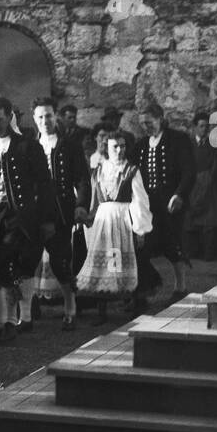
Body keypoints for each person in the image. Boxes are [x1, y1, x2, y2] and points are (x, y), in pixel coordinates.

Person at [0, 98, 55, 343]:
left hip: (18, 216)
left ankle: (12, 321)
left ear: (9, 117)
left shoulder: (27, 147)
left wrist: (47, 219)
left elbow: (44, 184)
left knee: (10, 264)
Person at [76, 131, 152, 320]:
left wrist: (140, 228)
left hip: (123, 219)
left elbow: (140, 200)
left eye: (122, 146)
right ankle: (102, 310)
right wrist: (89, 220)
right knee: (104, 264)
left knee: (124, 259)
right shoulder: (99, 171)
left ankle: (135, 304)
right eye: (114, 146)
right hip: (103, 220)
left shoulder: (131, 171)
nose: (119, 150)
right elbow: (94, 199)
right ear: (106, 148)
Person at [29, 99, 91, 330]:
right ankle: (28, 306)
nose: (45, 121)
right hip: (34, 211)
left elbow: (82, 179)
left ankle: (70, 304)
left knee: (59, 259)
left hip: (61, 211)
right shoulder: (29, 145)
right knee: (29, 260)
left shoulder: (69, 145)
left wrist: (80, 205)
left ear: (56, 117)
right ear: (34, 119)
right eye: (40, 117)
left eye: (48, 116)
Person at [136, 102, 195, 307]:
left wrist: (179, 194)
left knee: (172, 244)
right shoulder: (141, 144)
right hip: (146, 203)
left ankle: (180, 287)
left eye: (149, 122)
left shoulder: (178, 140)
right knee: (142, 245)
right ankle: (144, 289)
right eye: (143, 123)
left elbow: (189, 171)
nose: (146, 127)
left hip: (171, 202)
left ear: (160, 118)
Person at [183, 111, 217, 259]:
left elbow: (216, 165)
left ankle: (208, 254)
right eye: (201, 126)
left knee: (210, 221)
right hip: (192, 184)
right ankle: (191, 253)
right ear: (194, 127)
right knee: (190, 220)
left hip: (208, 184)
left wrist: (208, 180)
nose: (204, 129)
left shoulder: (214, 145)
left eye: (207, 126)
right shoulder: (188, 144)